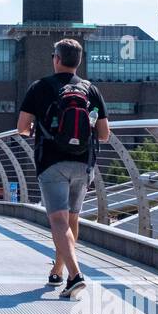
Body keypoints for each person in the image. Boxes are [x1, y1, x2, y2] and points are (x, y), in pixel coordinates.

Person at [17, 38, 109, 298]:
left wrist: (39, 128)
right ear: (78, 62)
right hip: (83, 162)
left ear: (56, 59)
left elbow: (22, 128)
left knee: (57, 219)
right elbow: (104, 134)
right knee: (71, 219)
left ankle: (75, 275)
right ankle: (58, 271)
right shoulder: (91, 90)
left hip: (52, 161)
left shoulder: (40, 87)